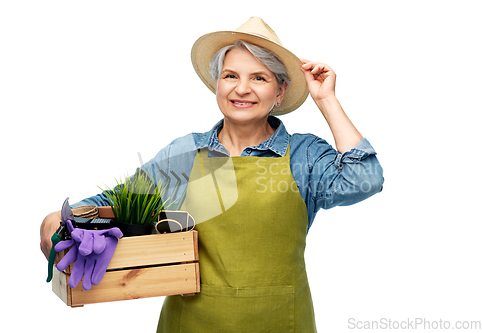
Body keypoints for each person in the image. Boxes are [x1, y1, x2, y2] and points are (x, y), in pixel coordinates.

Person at [40, 17, 384, 332]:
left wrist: (326, 100)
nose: (241, 89)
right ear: (217, 84)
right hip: (191, 325)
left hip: (281, 323)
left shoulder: (303, 155)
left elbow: (365, 177)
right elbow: (112, 204)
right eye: (231, 75)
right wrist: (54, 222)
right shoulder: (186, 154)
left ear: (279, 92)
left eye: (259, 78)